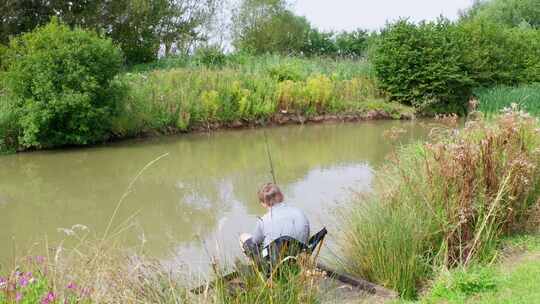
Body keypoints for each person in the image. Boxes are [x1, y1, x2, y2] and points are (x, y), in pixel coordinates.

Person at [239, 183, 310, 260]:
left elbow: (255, 242)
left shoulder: (263, 221)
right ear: (282, 196)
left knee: (243, 237)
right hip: (299, 255)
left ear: (263, 204)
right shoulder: (299, 212)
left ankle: (255, 267)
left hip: (274, 262)